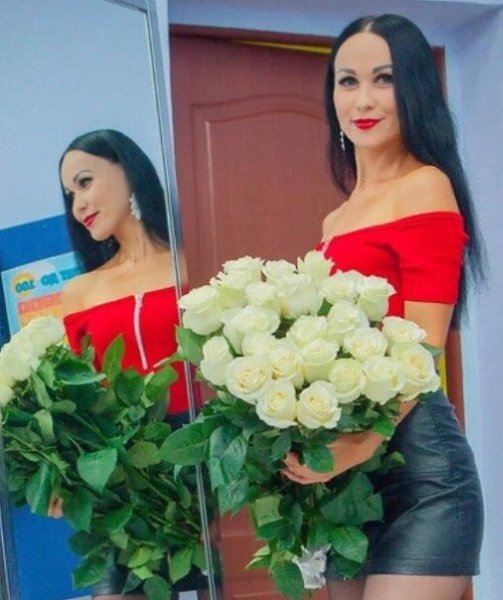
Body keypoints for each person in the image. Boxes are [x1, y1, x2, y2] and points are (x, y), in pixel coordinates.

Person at [282, 14, 484, 600]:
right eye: (347, 81)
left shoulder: (426, 185)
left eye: (384, 79)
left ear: (414, 89)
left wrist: (363, 443)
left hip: (422, 473)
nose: (363, 99)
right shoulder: (336, 219)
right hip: (350, 483)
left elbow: (424, 347)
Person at [56, 129, 199, 600]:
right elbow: (79, 397)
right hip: (127, 484)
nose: (78, 204)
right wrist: (63, 473)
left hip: (208, 458)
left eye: (85, 182)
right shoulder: (80, 292)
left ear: (128, 171)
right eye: (70, 194)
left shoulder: (197, 261)